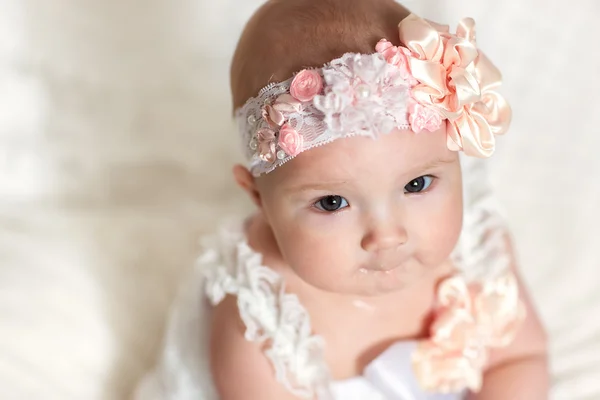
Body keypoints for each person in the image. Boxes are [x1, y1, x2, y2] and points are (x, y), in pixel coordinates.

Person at [136, 0, 549, 398]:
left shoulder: (477, 250)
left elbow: (520, 360)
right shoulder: (260, 319)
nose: (387, 236)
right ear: (258, 198)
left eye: (418, 184)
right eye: (332, 203)